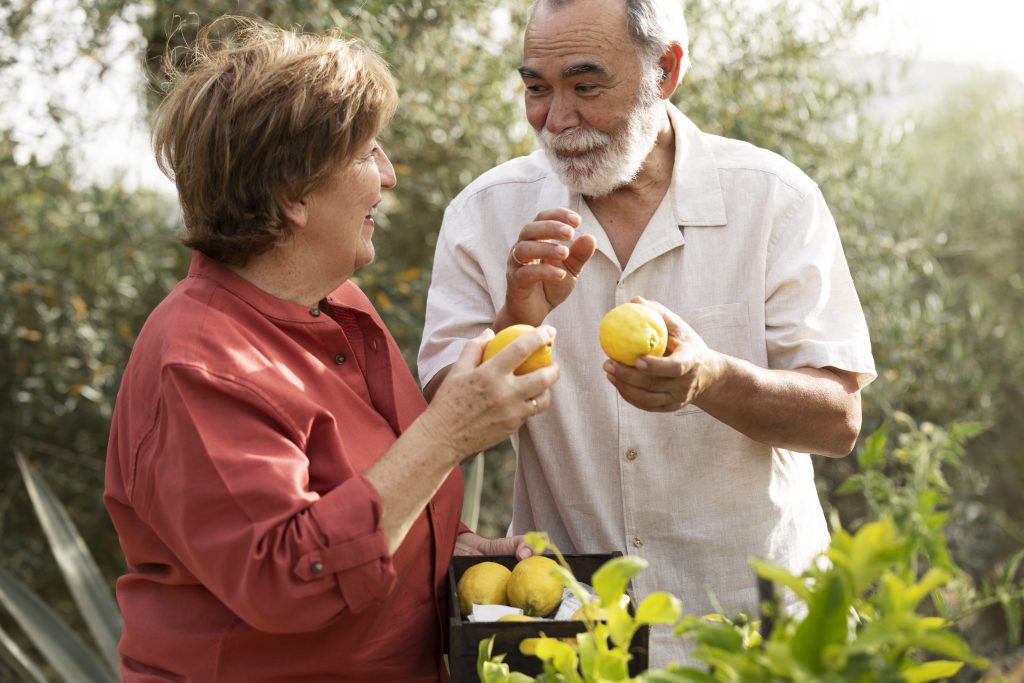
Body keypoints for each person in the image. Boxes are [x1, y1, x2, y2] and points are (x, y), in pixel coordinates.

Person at [418, 0, 876, 667]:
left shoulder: (775, 200)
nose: (558, 119)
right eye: (537, 89)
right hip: (575, 637)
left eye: (586, 85)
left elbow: (837, 421)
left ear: (667, 69)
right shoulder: (485, 215)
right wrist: (517, 318)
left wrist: (711, 379)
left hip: (759, 637)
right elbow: (444, 427)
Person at [104, 17, 559, 682]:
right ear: (292, 194)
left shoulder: (341, 307)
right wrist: (447, 433)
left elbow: (368, 499)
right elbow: (289, 575)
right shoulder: (197, 363)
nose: (389, 175)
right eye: (367, 152)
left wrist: (455, 549)